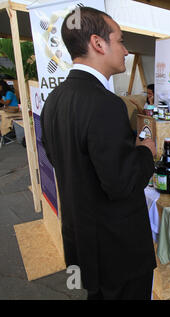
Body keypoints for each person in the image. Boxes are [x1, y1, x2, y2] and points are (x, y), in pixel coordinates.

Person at [40, 7, 157, 300]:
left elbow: (61, 160)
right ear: (98, 43)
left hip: (83, 240)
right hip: (118, 250)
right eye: (120, 41)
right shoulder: (105, 103)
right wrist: (145, 152)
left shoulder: (54, 98)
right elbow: (120, 183)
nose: (127, 51)